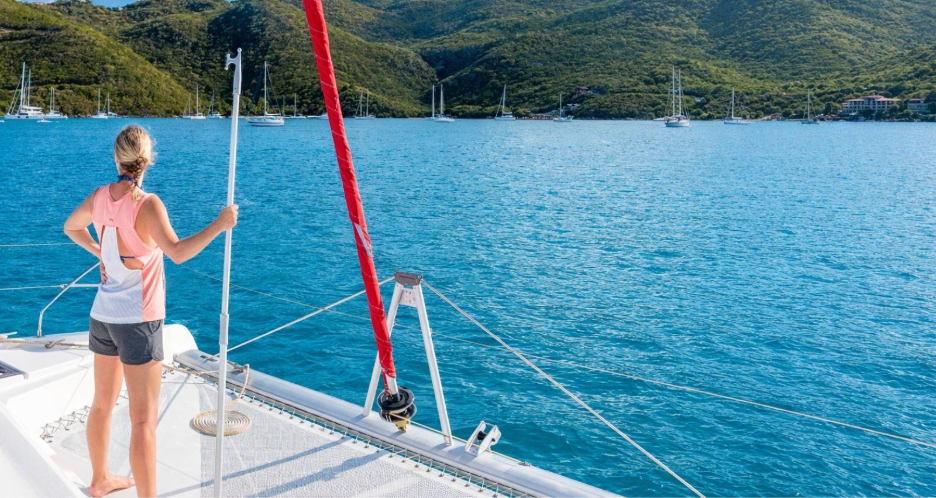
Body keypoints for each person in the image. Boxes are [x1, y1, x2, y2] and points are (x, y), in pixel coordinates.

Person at [64, 125, 238, 498]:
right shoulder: (147, 204)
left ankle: (100, 480)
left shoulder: (99, 198)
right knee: (143, 420)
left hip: (102, 316)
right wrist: (220, 225)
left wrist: (101, 253)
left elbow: (71, 227)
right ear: (148, 159)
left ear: (117, 158)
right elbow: (177, 252)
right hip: (138, 321)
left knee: (101, 405)